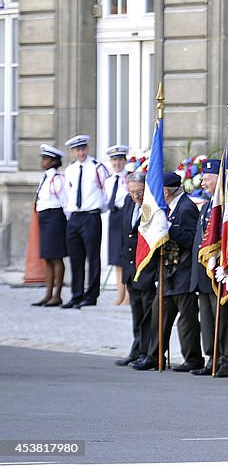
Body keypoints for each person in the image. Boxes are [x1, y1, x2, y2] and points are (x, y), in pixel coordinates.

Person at [143, 172, 202, 371]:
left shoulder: (186, 208)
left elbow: (190, 239)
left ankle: (192, 358)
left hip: (183, 272)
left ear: (167, 191)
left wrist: (169, 228)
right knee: (159, 315)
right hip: (167, 272)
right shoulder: (165, 208)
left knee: (187, 321)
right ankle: (154, 356)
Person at [190, 159, 228, 377]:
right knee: (207, 319)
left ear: (218, 178)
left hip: (219, 274)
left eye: (208, 179)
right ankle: (211, 357)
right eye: (203, 179)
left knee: (222, 319)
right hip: (204, 275)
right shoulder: (207, 207)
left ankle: (225, 359)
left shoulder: (226, 207)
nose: (204, 183)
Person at [62, 134, 110, 308]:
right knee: (76, 258)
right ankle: (76, 295)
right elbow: (67, 194)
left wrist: (99, 209)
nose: (80, 152)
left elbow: (107, 190)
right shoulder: (70, 169)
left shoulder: (97, 167)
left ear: (87, 149)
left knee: (93, 257)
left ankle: (91, 296)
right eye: (77, 150)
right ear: (72, 152)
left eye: (83, 149)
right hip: (74, 216)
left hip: (90, 215)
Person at [119, 171, 158, 367]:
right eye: (132, 192)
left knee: (147, 314)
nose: (136, 196)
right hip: (131, 268)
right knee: (136, 312)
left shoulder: (152, 207)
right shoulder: (129, 203)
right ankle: (136, 349)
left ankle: (147, 352)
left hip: (146, 269)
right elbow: (124, 234)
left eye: (139, 191)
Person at [33, 144, 68, 307]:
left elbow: (64, 201)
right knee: (47, 256)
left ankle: (57, 294)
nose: (43, 161)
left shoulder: (57, 178)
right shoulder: (45, 177)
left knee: (56, 256)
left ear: (54, 161)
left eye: (46, 159)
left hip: (55, 216)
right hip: (45, 217)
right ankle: (48, 293)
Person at [104, 145, 131, 306]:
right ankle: (119, 293)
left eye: (120, 159)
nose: (117, 163)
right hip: (113, 217)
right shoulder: (108, 180)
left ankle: (128, 295)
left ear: (125, 161)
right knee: (116, 258)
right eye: (114, 160)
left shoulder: (129, 178)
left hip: (125, 214)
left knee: (126, 257)